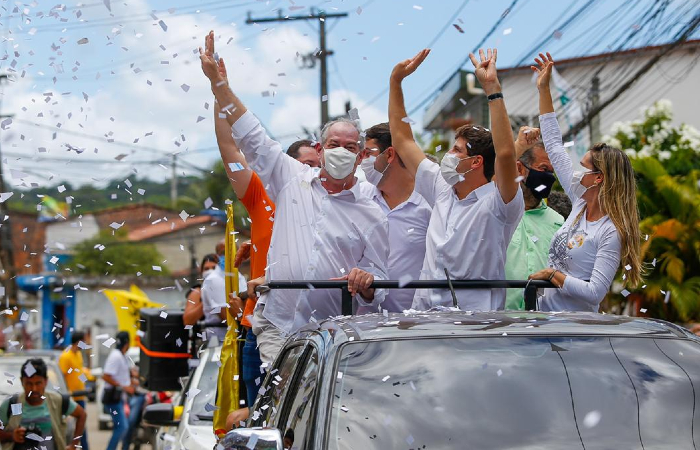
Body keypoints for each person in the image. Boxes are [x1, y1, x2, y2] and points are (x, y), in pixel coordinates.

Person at [200, 30, 389, 364]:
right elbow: (250, 134)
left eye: (350, 147)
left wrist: (367, 280)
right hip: (278, 327)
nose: (342, 153)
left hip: (333, 338)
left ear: (361, 157)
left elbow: (379, 281)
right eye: (334, 145)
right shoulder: (291, 178)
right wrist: (219, 85)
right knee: (283, 405)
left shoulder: (373, 209)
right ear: (319, 149)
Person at [389, 48, 524, 311]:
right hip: (425, 320)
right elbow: (403, 140)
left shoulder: (500, 203)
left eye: (457, 150)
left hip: (475, 328)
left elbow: (505, 153)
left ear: (476, 162)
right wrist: (396, 82)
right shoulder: (441, 186)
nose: (448, 154)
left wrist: (492, 89)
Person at [528, 52, 642, 311]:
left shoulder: (610, 231)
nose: (577, 174)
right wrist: (543, 90)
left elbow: (595, 293)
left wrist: (552, 276)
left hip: (575, 332)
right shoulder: (580, 203)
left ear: (598, 179)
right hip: (546, 321)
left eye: (584, 168)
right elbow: (555, 146)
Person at [359, 122, 432, 312]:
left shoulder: (430, 204)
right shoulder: (358, 197)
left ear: (390, 154)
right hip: (361, 327)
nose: (361, 161)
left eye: (368, 153)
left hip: (411, 327)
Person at [504, 131, 564, 310]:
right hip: (498, 323)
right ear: (520, 169)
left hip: (543, 325)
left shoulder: (559, 223)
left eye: (552, 173)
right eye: (544, 170)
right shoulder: (496, 215)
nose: (549, 178)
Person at [0, 358, 87, 450]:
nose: (34, 389)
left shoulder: (57, 401)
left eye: (38, 383)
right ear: (22, 381)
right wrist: (12, 435)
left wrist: (73, 445)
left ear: (45, 381)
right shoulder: (12, 404)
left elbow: (82, 414)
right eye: (29, 384)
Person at [58, 331, 92, 450]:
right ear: (78, 342)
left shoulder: (78, 354)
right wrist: (67, 394)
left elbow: (79, 372)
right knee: (71, 429)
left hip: (80, 396)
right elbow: (61, 377)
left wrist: (85, 381)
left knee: (82, 427)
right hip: (70, 398)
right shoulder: (65, 356)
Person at [102, 331, 136, 450]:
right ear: (127, 343)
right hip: (112, 399)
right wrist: (123, 386)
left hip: (120, 399)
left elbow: (122, 375)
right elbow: (105, 376)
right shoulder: (115, 356)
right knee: (122, 427)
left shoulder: (122, 355)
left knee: (123, 426)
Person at [182, 253, 220, 328]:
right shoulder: (197, 292)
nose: (210, 272)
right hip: (207, 335)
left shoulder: (230, 289)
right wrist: (207, 299)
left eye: (214, 268)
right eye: (206, 269)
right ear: (202, 272)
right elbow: (187, 321)